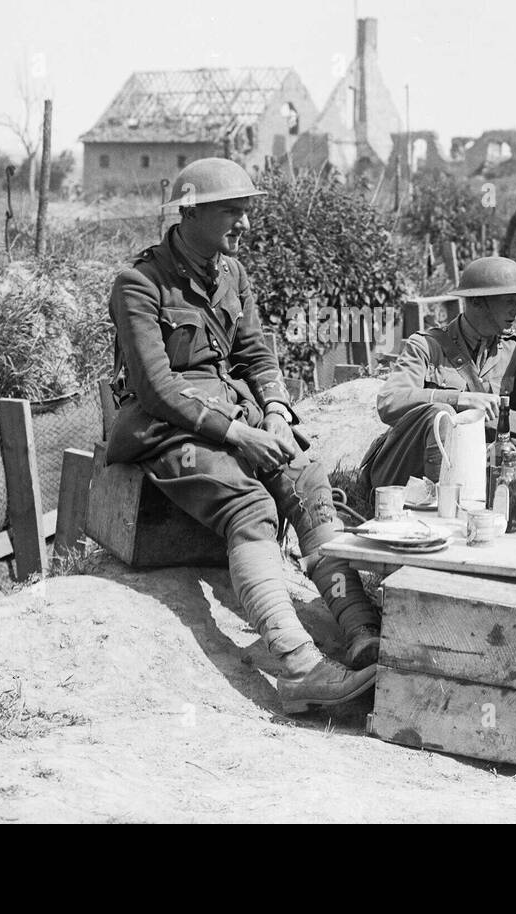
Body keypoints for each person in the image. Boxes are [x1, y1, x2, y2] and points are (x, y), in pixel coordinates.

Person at [105, 157, 381, 714]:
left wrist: (276, 411)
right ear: (190, 212)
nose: (246, 225)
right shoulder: (138, 284)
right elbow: (157, 388)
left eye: (247, 211)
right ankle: (300, 668)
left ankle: (361, 632)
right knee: (250, 503)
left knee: (307, 476)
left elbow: (257, 353)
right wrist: (237, 435)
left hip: (240, 417)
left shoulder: (232, 274)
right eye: (233, 211)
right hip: (171, 429)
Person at [358, 257, 516, 502]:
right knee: (439, 413)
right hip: (404, 473)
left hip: (473, 471)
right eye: (509, 301)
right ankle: (444, 506)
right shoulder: (426, 346)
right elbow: (390, 402)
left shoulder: (514, 353)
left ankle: (466, 498)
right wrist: (459, 399)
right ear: (477, 302)